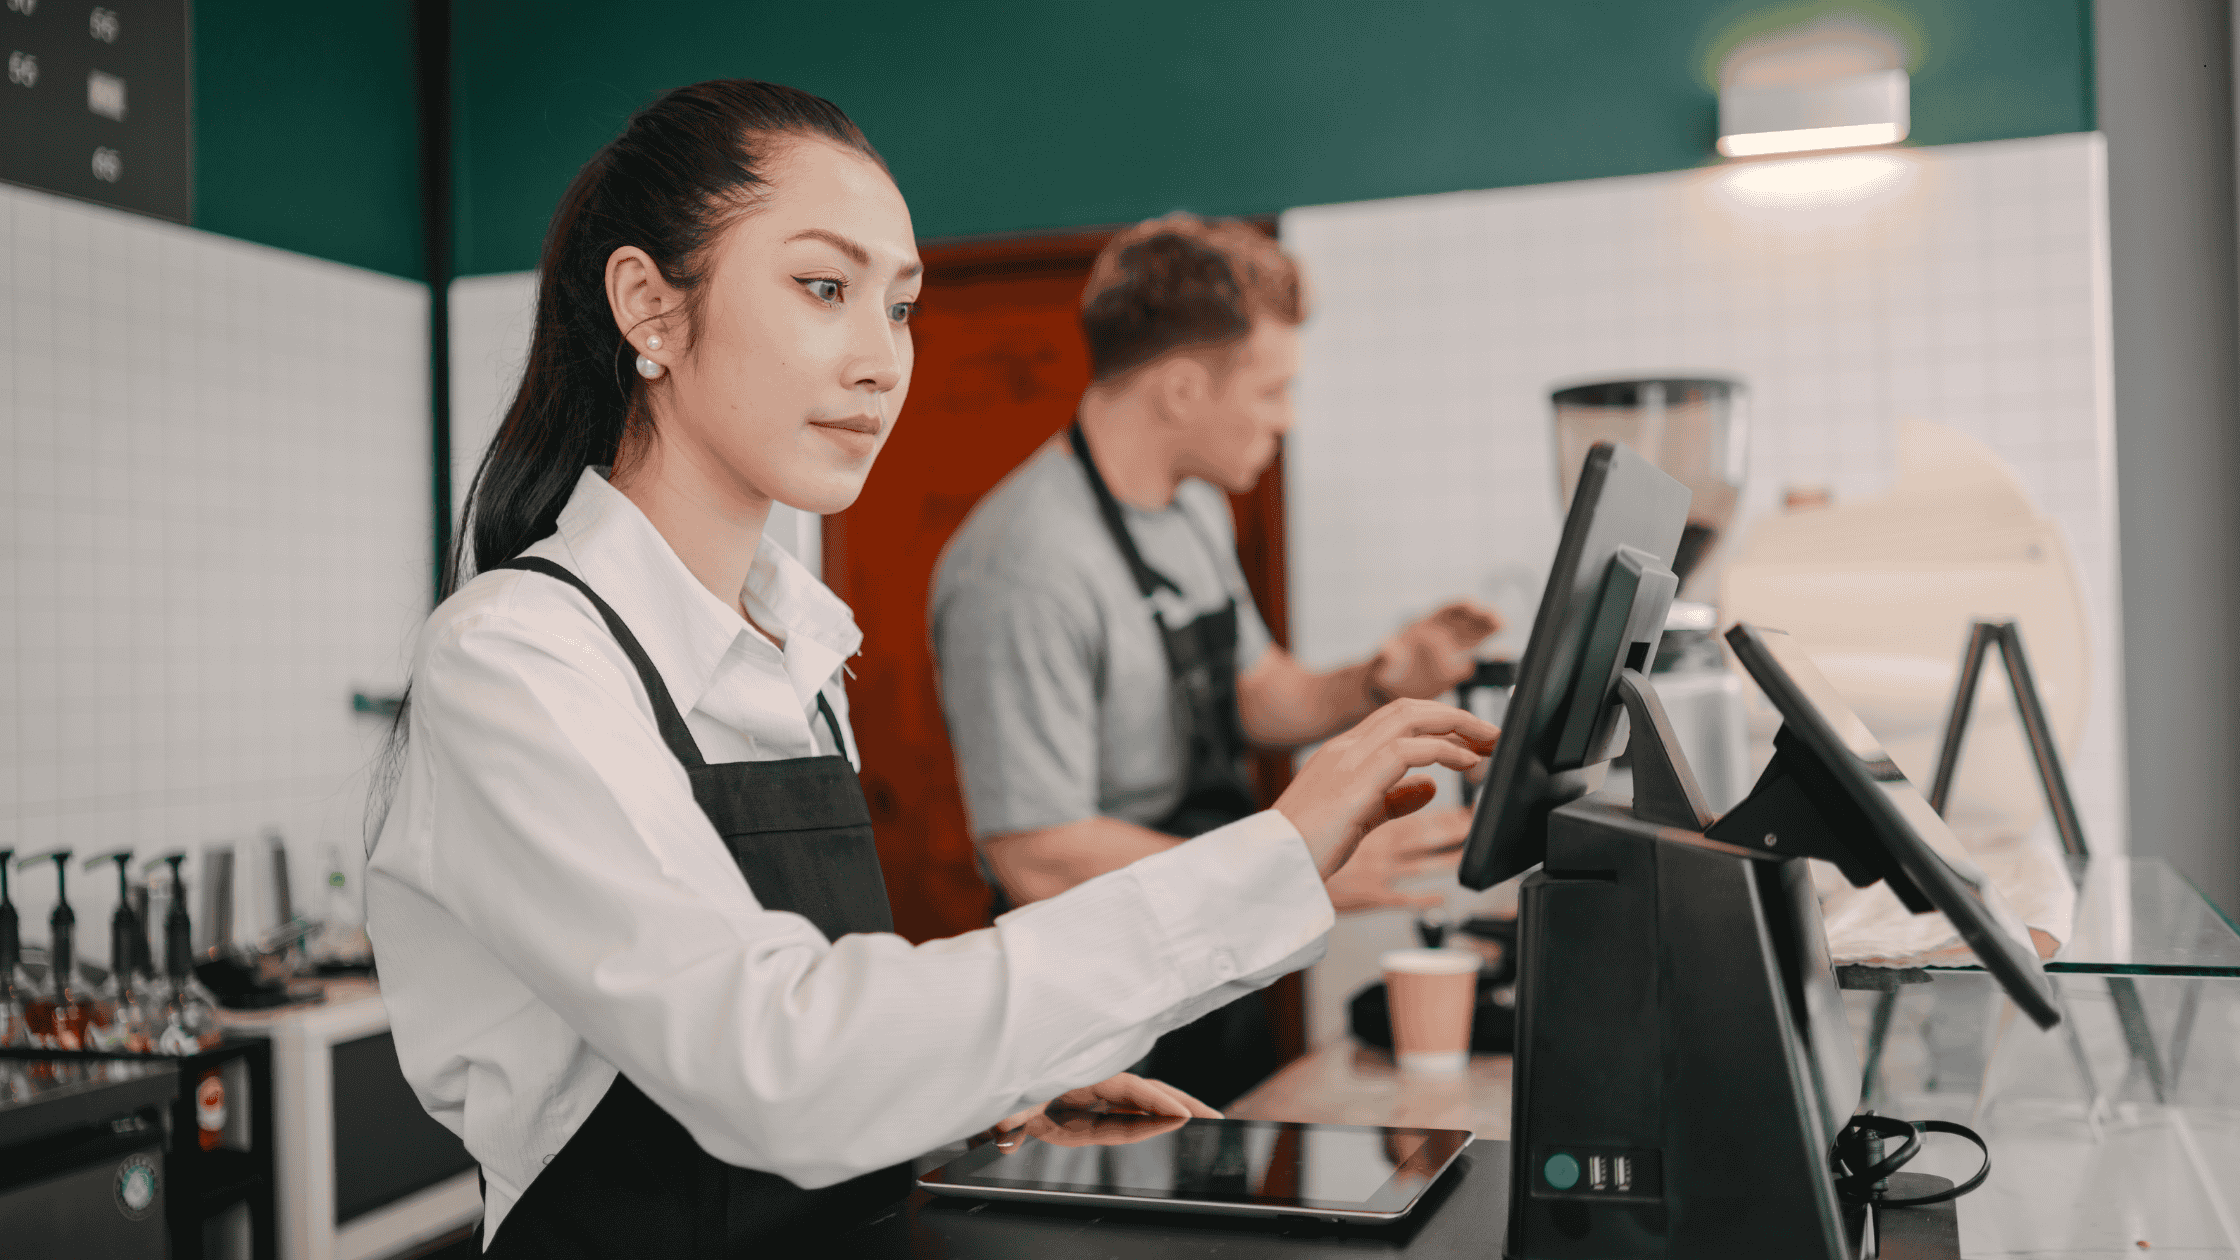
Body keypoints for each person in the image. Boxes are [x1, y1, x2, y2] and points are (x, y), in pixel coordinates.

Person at [362, 81, 1498, 1258]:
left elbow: (825, 999)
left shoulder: (798, 648)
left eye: (900, 307)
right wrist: (1277, 855)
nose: (881, 361)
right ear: (650, 306)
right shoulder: (515, 658)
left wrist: (997, 1090)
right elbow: (775, 1063)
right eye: (823, 288)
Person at [929, 214, 1501, 1107]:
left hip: (1209, 962)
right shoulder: (1022, 569)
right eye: (1273, 390)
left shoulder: (1192, 509)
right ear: (1183, 389)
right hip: (1096, 1008)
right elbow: (1038, 854)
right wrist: (1291, 867)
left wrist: (1384, 678)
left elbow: (1259, 693)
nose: (1287, 418)